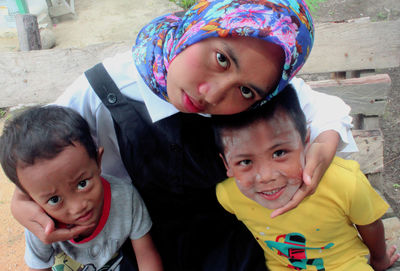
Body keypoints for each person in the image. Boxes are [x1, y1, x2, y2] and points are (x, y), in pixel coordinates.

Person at [11, 0, 358, 270]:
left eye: (247, 92)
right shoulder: (102, 89)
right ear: (200, 24)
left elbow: (329, 112)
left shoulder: (263, 81)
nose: (214, 93)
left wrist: (323, 147)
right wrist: (21, 201)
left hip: (230, 243)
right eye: (222, 58)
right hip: (138, 242)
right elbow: (39, 149)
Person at [213, 84, 400, 271]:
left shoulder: (345, 181)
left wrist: (379, 259)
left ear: (306, 141)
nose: (266, 177)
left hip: (344, 264)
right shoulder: (228, 195)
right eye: (245, 162)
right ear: (227, 165)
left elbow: (370, 224)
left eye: (279, 153)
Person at [0, 106, 163, 271]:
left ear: (98, 162)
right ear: (31, 199)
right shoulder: (40, 225)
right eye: (54, 200)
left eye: (82, 183)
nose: (78, 206)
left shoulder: (126, 198)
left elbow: (146, 254)